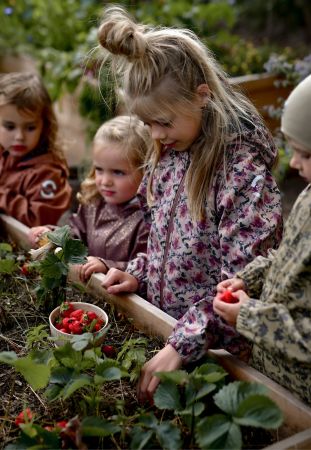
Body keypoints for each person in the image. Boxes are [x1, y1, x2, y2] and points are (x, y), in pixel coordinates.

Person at [98, 6, 283, 403]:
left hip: (223, 359)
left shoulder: (243, 176)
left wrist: (183, 343)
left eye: (163, 122)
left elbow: (241, 288)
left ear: (202, 96)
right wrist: (139, 273)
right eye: (146, 124)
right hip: (172, 337)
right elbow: (169, 246)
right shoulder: (170, 152)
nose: (155, 135)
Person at [213, 74, 311, 405]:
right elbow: (288, 257)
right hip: (273, 380)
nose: (295, 163)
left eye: (306, 155)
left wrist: (249, 316)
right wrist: (247, 278)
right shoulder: (309, 197)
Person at [29, 115, 150, 281]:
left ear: (145, 172)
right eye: (99, 169)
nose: (105, 181)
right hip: (89, 286)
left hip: (121, 297)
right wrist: (54, 235)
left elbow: (146, 265)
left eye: (118, 172)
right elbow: (76, 234)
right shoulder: (94, 203)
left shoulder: (146, 218)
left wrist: (107, 265)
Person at [0, 72, 72, 227]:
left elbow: (37, 222)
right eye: (10, 127)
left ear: (44, 126)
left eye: (30, 127)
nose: (19, 136)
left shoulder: (47, 172)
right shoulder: (4, 152)